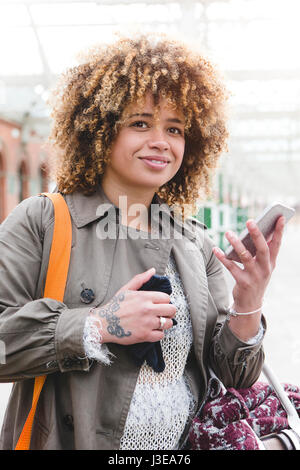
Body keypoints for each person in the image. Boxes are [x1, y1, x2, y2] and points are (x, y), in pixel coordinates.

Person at [0, 33, 286, 450]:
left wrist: (249, 301)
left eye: (175, 128)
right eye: (140, 123)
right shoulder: (43, 221)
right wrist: (98, 326)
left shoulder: (194, 241)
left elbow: (234, 375)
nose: (161, 142)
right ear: (99, 128)